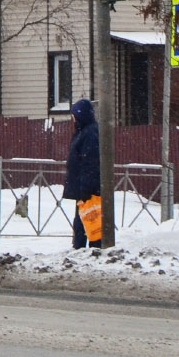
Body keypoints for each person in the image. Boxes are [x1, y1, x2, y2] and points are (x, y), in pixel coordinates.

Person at [64, 97, 102, 249]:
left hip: (87, 187)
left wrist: (86, 187)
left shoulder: (89, 134)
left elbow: (89, 162)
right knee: (85, 217)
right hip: (84, 185)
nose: (73, 119)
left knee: (88, 218)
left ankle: (88, 247)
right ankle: (84, 246)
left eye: (74, 115)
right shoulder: (83, 132)